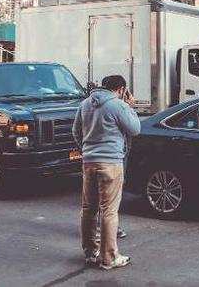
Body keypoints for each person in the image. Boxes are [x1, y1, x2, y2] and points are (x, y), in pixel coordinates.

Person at [73, 74, 140, 270]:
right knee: (109, 211)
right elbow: (135, 129)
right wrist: (130, 106)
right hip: (111, 163)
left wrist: (86, 150)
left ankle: (90, 253)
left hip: (89, 162)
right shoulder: (117, 105)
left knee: (89, 209)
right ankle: (109, 257)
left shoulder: (85, 104)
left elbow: (76, 131)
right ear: (120, 89)